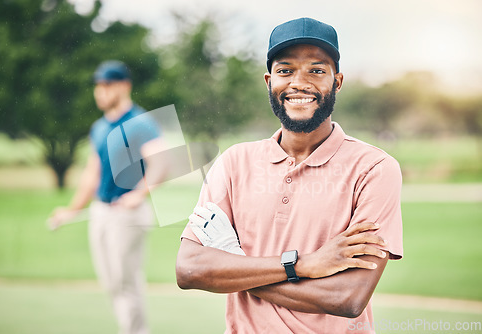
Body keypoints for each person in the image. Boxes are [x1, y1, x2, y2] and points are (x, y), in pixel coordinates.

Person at [176, 17, 403, 333]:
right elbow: (189, 269)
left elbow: (347, 297)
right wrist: (302, 265)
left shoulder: (374, 169)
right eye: (285, 71)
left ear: (337, 82)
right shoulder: (234, 162)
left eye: (316, 70)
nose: (299, 82)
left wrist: (235, 271)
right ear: (269, 81)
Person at [50, 60, 166, 334]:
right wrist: (71, 210)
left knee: (126, 283)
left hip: (127, 214)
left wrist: (139, 194)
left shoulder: (140, 123)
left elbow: (161, 164)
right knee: (112, 283)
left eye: (107, 85)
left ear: (124, 86)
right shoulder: (99, 127)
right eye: (98, 86)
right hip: (101, 212)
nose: (100, 91)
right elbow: (92, 174)